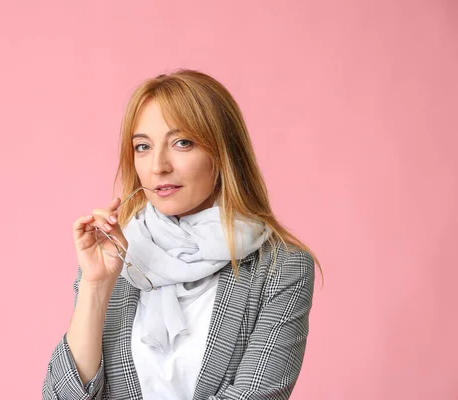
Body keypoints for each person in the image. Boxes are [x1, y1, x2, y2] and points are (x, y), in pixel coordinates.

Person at [42, 69, 319, 400]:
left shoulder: (280, 267)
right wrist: (96, 286)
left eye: (182, 143)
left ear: (222, 153)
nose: (158, 165)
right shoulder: (115, 252)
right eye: (142, 147)